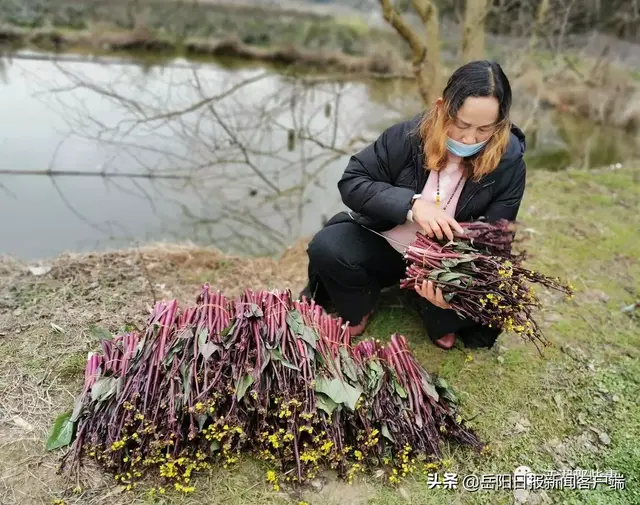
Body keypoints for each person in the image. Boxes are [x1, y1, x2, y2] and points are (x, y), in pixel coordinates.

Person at [301, 60, 527, 350]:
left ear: (501, 124)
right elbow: (353, 182)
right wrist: (412, 204)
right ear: (441, 107)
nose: (470, 138)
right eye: (462, 124)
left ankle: (433, 307)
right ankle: (361, 304)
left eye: (485, 129)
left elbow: (496, 238)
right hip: (386, 245)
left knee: (477, 298)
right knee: (328, 246)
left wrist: (456, 281)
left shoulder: (509, 166)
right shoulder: (406, 137)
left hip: (442, 263)